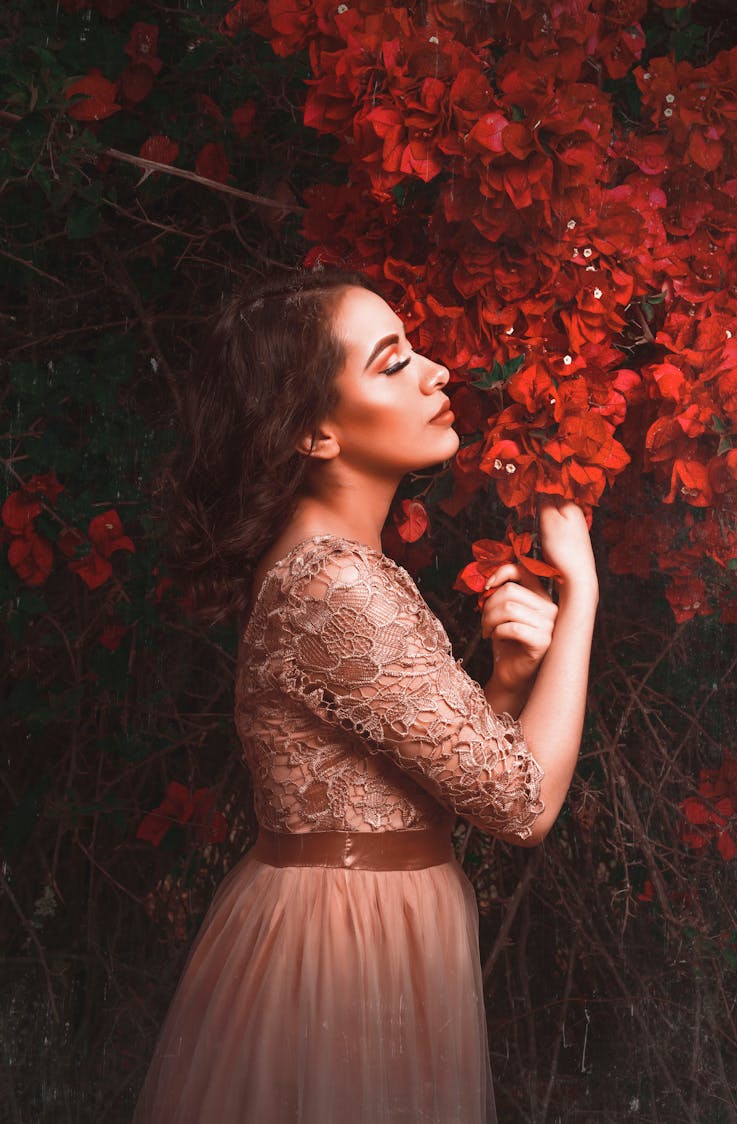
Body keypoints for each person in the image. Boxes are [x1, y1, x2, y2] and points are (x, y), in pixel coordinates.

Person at [133, 268, 598, 1124]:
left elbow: (413, 805)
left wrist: (503, 685)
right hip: (344, 950)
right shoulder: (335, 586)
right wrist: (584, 594)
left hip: (369, 923)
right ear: (313, 431)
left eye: (417, 350)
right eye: (392, 362)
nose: (436, 374)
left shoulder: (340, 567)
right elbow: (523, 807)